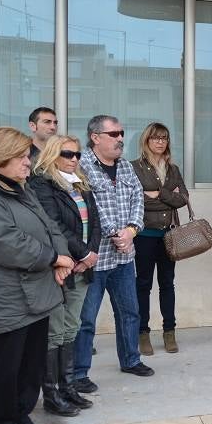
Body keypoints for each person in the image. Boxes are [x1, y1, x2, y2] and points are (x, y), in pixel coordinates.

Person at [0, 127, 74, 424]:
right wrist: (52, 258)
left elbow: (50, 227)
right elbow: (6, 243)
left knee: (31, 366)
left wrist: (62, 258)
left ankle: (23, 418)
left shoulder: (21, 187)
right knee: (6, 369)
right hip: (4, 298)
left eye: (27, 156)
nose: (27, 162)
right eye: (20, 157)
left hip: (37, 292)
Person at [74, 115, 153, 392]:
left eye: (121, 132)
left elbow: (138, 200)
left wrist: (132, 230)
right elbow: (89, 207)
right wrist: (116, 234)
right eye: (114, 133)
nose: (121, 138)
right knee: (86, 320)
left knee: (130, 312)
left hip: (124, 256)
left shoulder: (126, 168)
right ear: (95, 137)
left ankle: (131, 359)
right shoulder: (81, 165)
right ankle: (79, 373)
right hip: (95, 258)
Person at [30, 136, 101, 416]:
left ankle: (68, 387)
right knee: (55, 332)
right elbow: (54, 225)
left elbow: (94, 221)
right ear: (51, 154)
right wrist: (82, 254)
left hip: (82, 267)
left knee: (71, 328)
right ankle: (52, 395)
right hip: (60, 268)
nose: (74, 159)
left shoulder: (80, 183)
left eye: (77, 154)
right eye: (67, 154)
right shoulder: (42, 183)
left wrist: (90, 254)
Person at [131, 122, 188, 354]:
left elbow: (183, 198)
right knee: (143, 285)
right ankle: (142, 332)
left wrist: (158, 194)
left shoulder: (173, 169)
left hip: (168, 235)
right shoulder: (134, 167)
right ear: (146, 140)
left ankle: (169, 332)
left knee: (167, 284)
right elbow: (136, 199)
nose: (160, 142)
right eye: (155, 138)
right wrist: (167, 197)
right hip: (143, 235)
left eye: (164, 138)